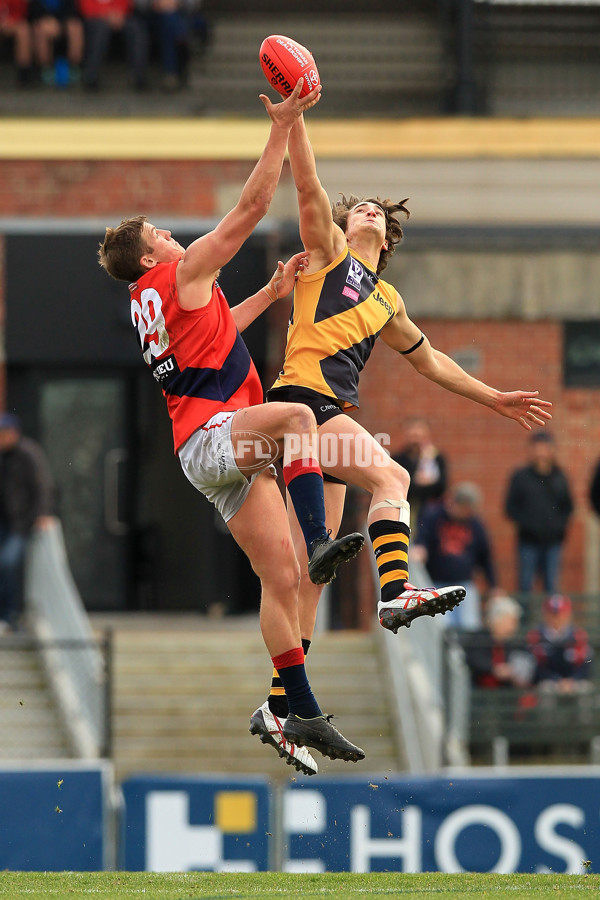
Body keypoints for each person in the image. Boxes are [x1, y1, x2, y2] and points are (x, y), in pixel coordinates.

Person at [251, 108, 553, 770]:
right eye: (356, 208)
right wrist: (296, 117)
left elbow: (433, 362)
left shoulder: (387, 300)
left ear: (386, 240)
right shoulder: (325, 254)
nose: (362, 214)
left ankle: (280, 708)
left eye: (373, 216)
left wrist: (494, 395)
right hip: (303, 406)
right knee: (394, 480)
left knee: (310, 582)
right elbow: (305, 187)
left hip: (319, 424)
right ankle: (395, 592)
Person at [98, 80, 367, 778]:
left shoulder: (158, 298)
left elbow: (218, 337)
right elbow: (250, 209)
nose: (169, 232)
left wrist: (271, 294)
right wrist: (284, 125)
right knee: (300, 417)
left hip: (208, 453)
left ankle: (293, 708)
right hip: (217, 438)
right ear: (153, 257)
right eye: (158, 232)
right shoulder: (179, 274)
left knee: (278, 582)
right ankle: (320, 540)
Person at [411, 481, 500, 631]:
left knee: (470, 626)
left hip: (465, 585)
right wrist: (420, 550)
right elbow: (423, 538)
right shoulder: (434, 516)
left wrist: (493, 585)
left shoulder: (475, 524)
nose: (467, 513)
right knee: (444, 627)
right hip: (437, 584)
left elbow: (485, 556)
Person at [0, 413, 56, 631]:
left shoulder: (29, 453)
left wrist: (43, 514)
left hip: (21, 522)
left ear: (15, 433)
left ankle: (11, 615)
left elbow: (43, 486)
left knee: (9, 563)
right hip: (3, 520)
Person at [505, 432, 573, 594]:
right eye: (537, 448)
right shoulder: (521, 477)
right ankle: (526, 619)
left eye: (544, 448)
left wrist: (557, 527)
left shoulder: (559, 477)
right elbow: (510, 508)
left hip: (553, 542)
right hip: (528, 541)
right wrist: (528, 525)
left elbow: (568, 507)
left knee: (551, 585)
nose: (540, 453)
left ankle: (550, 619)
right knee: (525, 584)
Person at [462, 593, 534, 689]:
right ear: (498, 620)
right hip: (478, 691)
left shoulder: (516, 643)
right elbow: (473, 660)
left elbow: (525, 664)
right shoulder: (479, 639)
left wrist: (512, 671)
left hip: (506, 694)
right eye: (511, 621)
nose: (514, 626)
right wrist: (494, 669)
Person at [527, 594, 592, 692]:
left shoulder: (579, 635)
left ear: (568, 614)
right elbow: (536, 666)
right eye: (553, 614)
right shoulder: (536, 636)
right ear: (545, 614)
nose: (557, 618)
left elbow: (587, 662)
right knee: (546, 689)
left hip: (574, 681)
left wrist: (574, 679)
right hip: (548, 681)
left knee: (586, 690)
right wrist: (556, 680)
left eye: (561, 613)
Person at [392, 416, 447, 531]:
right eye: (412, 436)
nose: (415, 442)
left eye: (419, 436)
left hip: (431, 515)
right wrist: (422, 481)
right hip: (404, 511)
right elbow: (403, 488)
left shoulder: (436, 458)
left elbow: (441, 487)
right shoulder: (397, 460)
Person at [79, 0, 148, 90]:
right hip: (95, 16)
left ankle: (139, 75)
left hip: (119, 16)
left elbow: (125, 3)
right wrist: (105, 13)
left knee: (136, 28)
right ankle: (91, 76)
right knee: (100, 29)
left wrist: (119, 14)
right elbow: (86, 7)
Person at [29, 0, 84, 86]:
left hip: (65, 22)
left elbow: (73, 11)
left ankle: (73, 67)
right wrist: (48, 20)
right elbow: (33, 12)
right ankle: (46, 68)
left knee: (75, 27)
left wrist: (61, 24)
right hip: (43, 21)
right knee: (40, 29)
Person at [0, 0, 34, 86]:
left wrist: (9, 22)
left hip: (12, 24)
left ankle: (24, 75)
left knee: (23, 30)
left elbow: (21, 14)